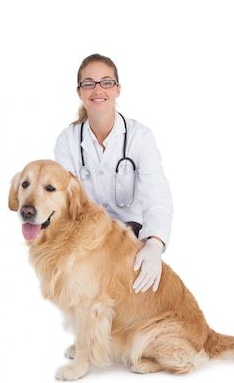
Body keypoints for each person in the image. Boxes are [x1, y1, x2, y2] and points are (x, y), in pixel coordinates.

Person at [54, 53, 173, 294]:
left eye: (106, 82)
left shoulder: (140, 136)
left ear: (118, 89)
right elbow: (64, 203)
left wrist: (154, 244)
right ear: (79, 92)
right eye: (89, 83)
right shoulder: (67, 140)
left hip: (131, 238)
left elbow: (156, 193)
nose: (98, 89)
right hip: (85, 239)